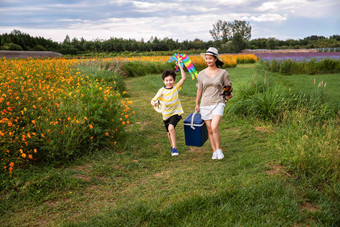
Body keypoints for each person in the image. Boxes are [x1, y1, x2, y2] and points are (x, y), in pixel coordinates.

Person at [195, 47, 233, 160]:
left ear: (215, 59)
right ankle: (214, 151)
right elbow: (199, 90)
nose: (208, 61)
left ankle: (219, 149)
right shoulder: (201, 74)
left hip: (218, 102)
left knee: (214, 126)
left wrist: (228, 94)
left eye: (210, 59)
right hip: (205, 103)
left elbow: (228, 87)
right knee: (209, 129)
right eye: (206, 59)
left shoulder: (223, 73)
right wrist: (197, 103)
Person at [151, 61, 186, 156]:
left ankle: (175, 148)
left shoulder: (176, 87)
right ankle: (172, 145)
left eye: (170, 80)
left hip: (175, 112)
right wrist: (153, 103)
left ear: (174, 80)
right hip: (165, 114)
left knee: (171, 128)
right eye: (166, 80)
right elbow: (153, 100)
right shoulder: (161, 91)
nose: (169, 82)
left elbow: (183, 78)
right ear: (163, 81)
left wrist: (180, 66)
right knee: (169, 132)